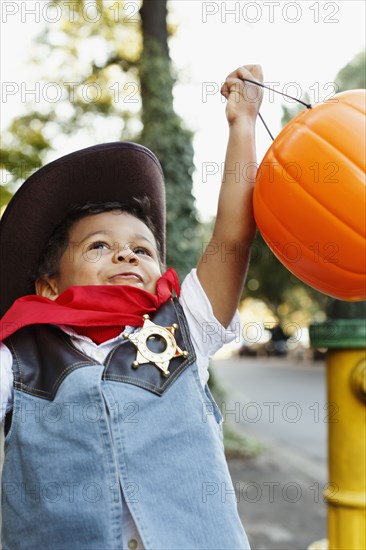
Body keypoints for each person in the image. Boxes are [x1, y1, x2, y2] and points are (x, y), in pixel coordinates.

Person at [0, 64, 263, 550]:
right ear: (48, 287)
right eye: (98, 247)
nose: (125, 254)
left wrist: (242, 124)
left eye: (141, 250)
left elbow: (234, 236)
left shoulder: (188, 326)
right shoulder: (19, 358)